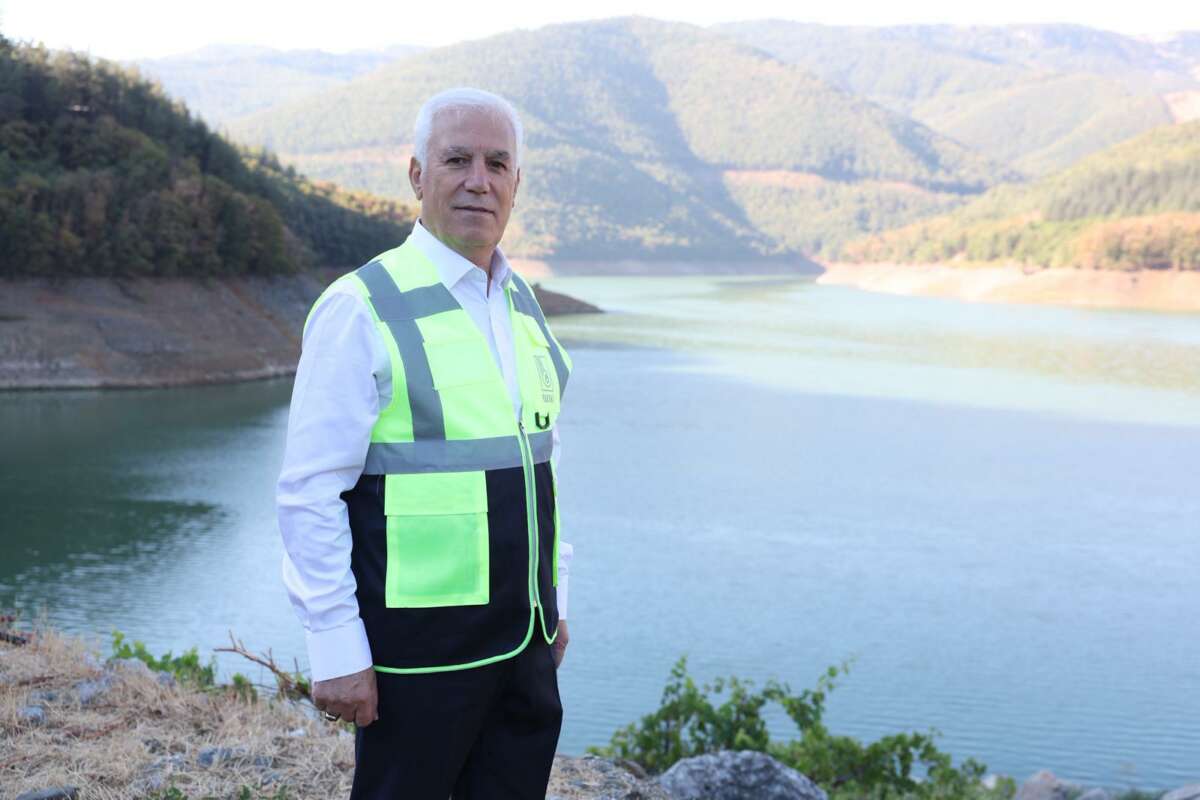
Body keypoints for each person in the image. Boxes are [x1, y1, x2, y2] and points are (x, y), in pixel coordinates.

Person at [275, 87, 573, 799]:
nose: (479, 180)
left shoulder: (523, 305)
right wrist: (336, 645)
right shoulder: (361, 307)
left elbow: (544, 464)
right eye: (457, 160)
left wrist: (556, 599)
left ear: (517, 181)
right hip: (417, 659)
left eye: (497, 164)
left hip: (524, 645)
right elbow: (309, 490)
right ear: (417, 175)